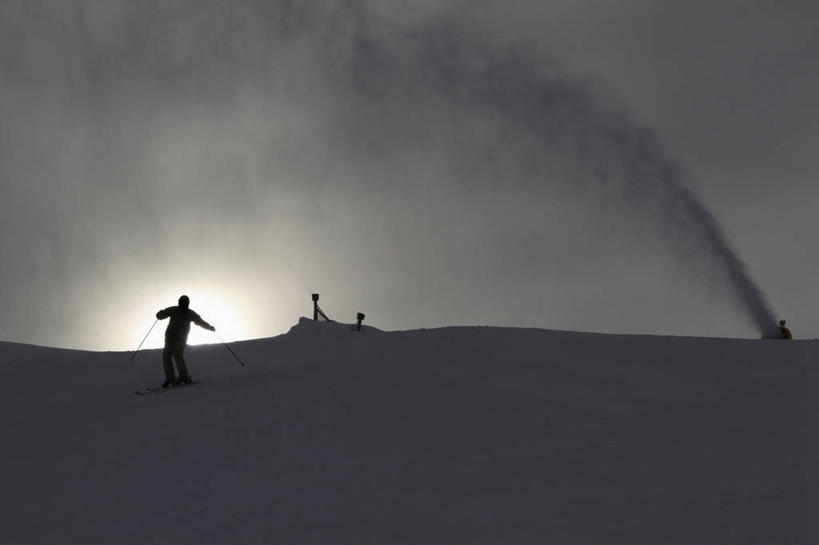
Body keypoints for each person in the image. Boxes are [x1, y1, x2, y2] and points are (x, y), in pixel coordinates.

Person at [156, 295, 215, 387]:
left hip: (179, 339)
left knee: (175, 355)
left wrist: (209, 327)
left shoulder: (183, 312)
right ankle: (173, 378)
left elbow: (200, 322)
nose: (183, 304)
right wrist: (160, 314)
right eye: (182, 302)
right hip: (171, 338)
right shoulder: (181, 311)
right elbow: (162, 315)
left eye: (184, 302)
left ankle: (181, 376)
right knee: (168, 356)